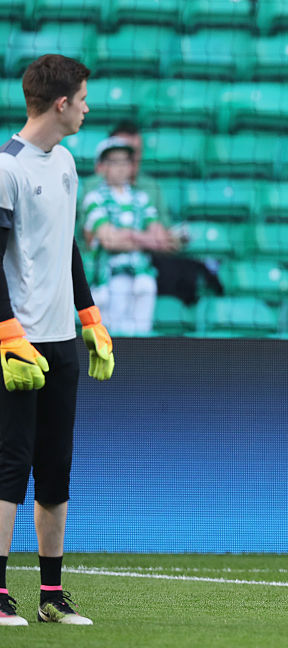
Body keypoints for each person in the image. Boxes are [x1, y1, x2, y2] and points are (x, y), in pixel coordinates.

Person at [0, 54, 115, 627]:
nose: (89, 107)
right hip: (14, 344)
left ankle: (50, 594)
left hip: (61, 341)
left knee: (55, 468)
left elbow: (66, 247)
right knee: (8, 466)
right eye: (85, 98)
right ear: (62, 102)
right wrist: (6, 334)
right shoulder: (6, 166)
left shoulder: (66, 162)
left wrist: (89, 316)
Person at [80, 137, 167, 335]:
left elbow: (160, 239)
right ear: (101, 166)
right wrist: (144, 239)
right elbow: (108, 240)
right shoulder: (94, 198)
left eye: (125, 161)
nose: (121, 167)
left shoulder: (142, 198)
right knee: (114, 341)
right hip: (110, 280)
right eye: (114, 161)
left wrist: (128, 235)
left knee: (143, 339)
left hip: (143, 278)